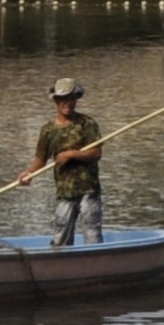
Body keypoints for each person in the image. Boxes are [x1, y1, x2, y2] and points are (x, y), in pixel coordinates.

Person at [36, 79, 107, 246]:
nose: (67, 103)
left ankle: (95, 265)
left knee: (92, 232)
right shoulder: (48, 130)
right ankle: (62, 266)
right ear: (56, 101)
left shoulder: (87, 123)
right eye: (63, 99)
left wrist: (72, 154)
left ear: (76, 99)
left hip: (88, 189)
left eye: (71, 98)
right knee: (61, 236)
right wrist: (28, 175)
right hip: (64, 191)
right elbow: (40, 159)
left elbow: (97, 153)